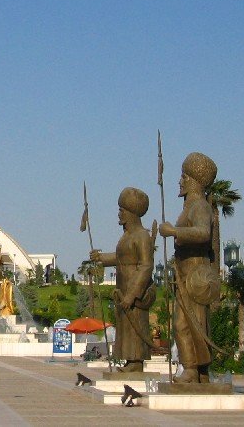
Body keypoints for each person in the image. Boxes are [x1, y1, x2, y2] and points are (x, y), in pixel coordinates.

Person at [159, 152, 221, 383]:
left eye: (183, 176)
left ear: (194, 180)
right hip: (185, 271)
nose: (180, 180)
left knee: (188, 323)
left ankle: (193, 369)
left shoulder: (200, 206)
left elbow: (203, 233)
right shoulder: (190, 207)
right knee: (187, 322)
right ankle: (197, 371)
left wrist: (174, 232)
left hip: (196, 274)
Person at [90, 187, 155, 373]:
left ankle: (136, 362)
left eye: (122, 210)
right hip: (123, 289)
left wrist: (133, 294)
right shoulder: (127, 237)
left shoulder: (142, 236)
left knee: (136, 325)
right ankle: (129, 360)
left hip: (135, 292)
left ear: (132, 213)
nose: (119, 214)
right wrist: (101, 258)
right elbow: (120, 258)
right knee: (125, 327)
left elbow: (146, 266)